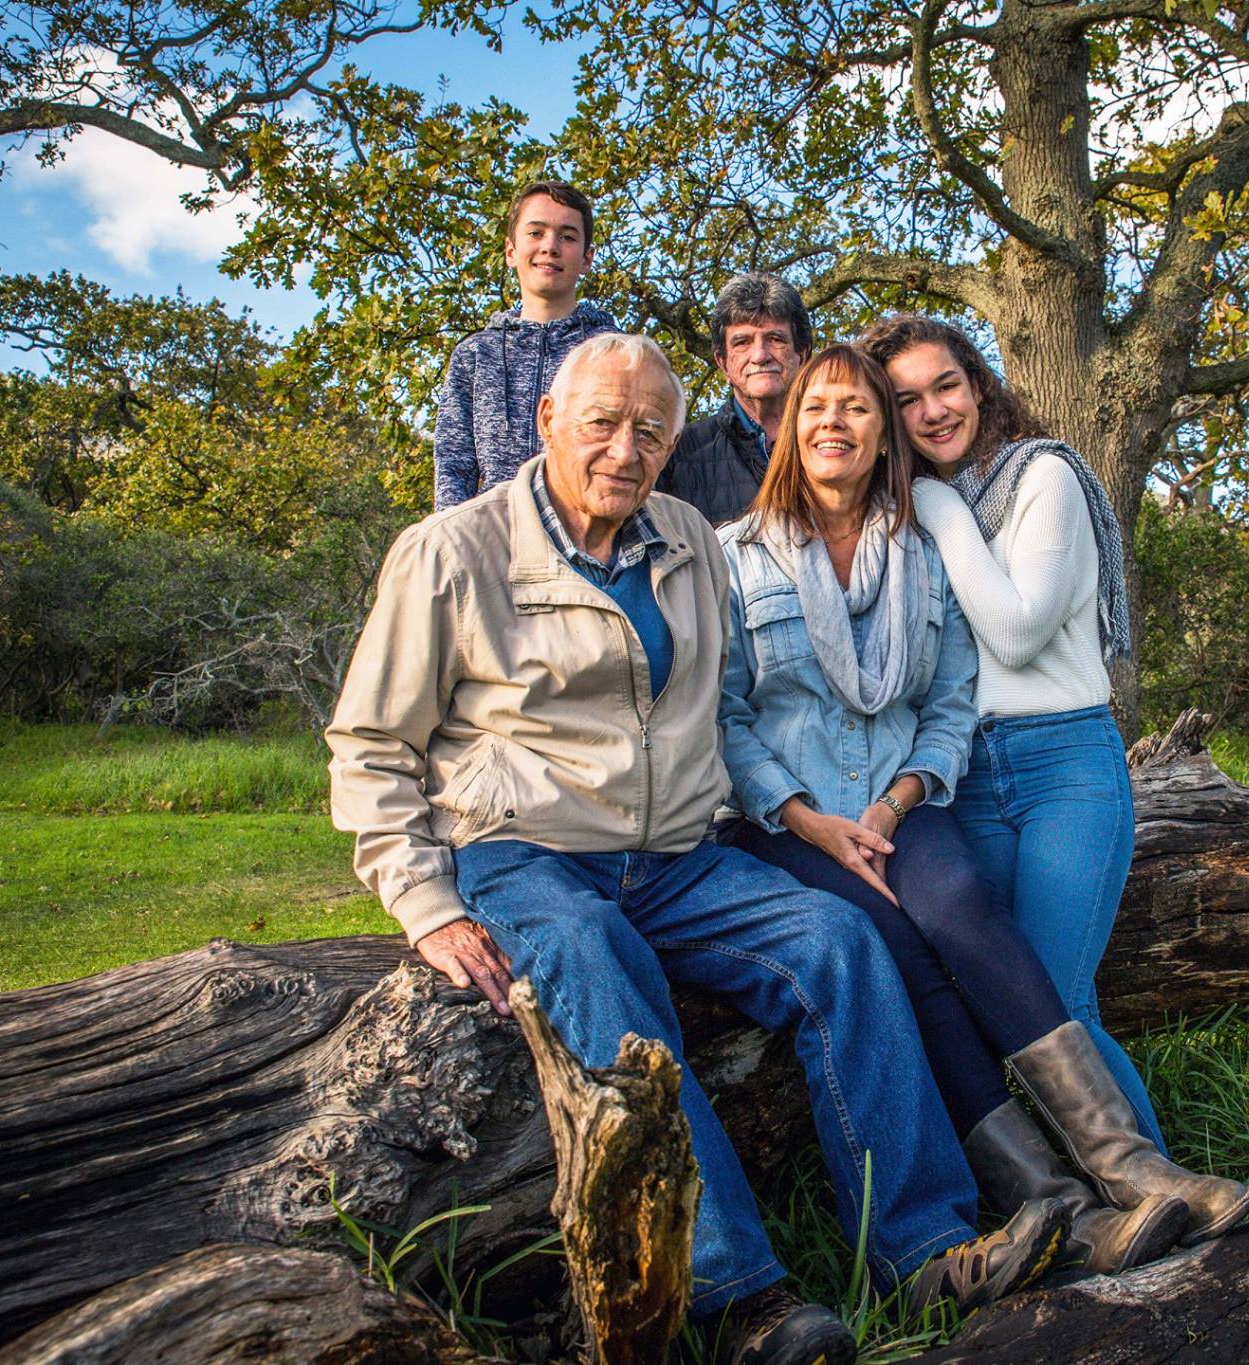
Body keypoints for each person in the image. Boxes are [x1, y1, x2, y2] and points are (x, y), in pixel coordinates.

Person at [328, 332, 1066, 1365]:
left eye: (648, 430)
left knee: (840, 946)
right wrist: (427, 905)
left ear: (673, 442)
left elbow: (756, 679)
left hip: (675, 856)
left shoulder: (684, 536)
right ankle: (737, 1300)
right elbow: (371, 743)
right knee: (597, 961)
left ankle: (927, 1246)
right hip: (523, 853)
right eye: (600, 423)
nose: (623, 449)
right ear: (547, 421)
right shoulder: (454, 551)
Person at [718, 344, 1245, 1273]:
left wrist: (893, 803)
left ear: (885, 440)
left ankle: (1131, 1170)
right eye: (815, 409)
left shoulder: (922, 551)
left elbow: (952, 701)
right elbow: (722, 715)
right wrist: (805, 817)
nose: (835, 423)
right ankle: (1051, 1206)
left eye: (857, 409)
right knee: (899, 944)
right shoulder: (733, 557)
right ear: (790, 431)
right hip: (788, 818)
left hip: (901, 800)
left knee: (960, 908)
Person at [861, 315, 1249, 1244]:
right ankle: (1087, 1220)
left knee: (1058, 991)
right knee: (1002, 1000)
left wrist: (943, 509)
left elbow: (1015, 631)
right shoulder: (911, 514)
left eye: (944, 385)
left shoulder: (1040, 477)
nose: (931, 410)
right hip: (964, 776)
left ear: (980, 384)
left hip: (1062, 761)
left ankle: (1172, 1203)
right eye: (907, 399)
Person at [432, 179, 619, 509]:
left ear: (587, 258)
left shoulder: (614, 354)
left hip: (587, 544)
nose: (550, 246)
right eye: (536, 233)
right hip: (495, 544)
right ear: (510, 250)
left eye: (567, 236)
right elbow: (452, 471)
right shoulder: (475, 356)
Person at [657, 272, 812, 524]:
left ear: (802, 355)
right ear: (723, 363)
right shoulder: (678, 455)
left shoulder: (833, 442)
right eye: (742, 342)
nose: (760, 355)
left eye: (775, 339)